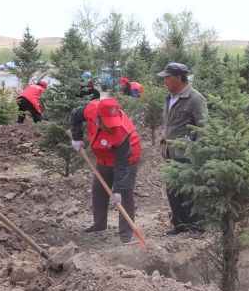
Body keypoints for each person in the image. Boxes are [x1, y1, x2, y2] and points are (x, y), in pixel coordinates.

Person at [69, 98, 141, 243]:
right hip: (104, 158)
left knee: (125, 193)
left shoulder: (122, 131)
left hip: (128, 158)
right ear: (98, 117)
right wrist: (77, 137)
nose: (110, 127)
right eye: (107, 123)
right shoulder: (91, 110)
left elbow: (122, 163)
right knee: (98, 189)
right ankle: (99, 225)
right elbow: (75, 115)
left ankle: (126, 235)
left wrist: (118, 189)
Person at [157, 62, 208, 236]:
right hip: (171, 152)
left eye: (167, 78)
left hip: (188, 153)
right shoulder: (169, 97)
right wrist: (164, 139)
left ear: (179, 78)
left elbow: (204, 127)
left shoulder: (195, 98)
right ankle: (179, 224)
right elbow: (169, 122)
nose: (165, 81)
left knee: (189, 191)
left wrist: (197, 151)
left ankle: (197, 227)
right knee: (172, 189)